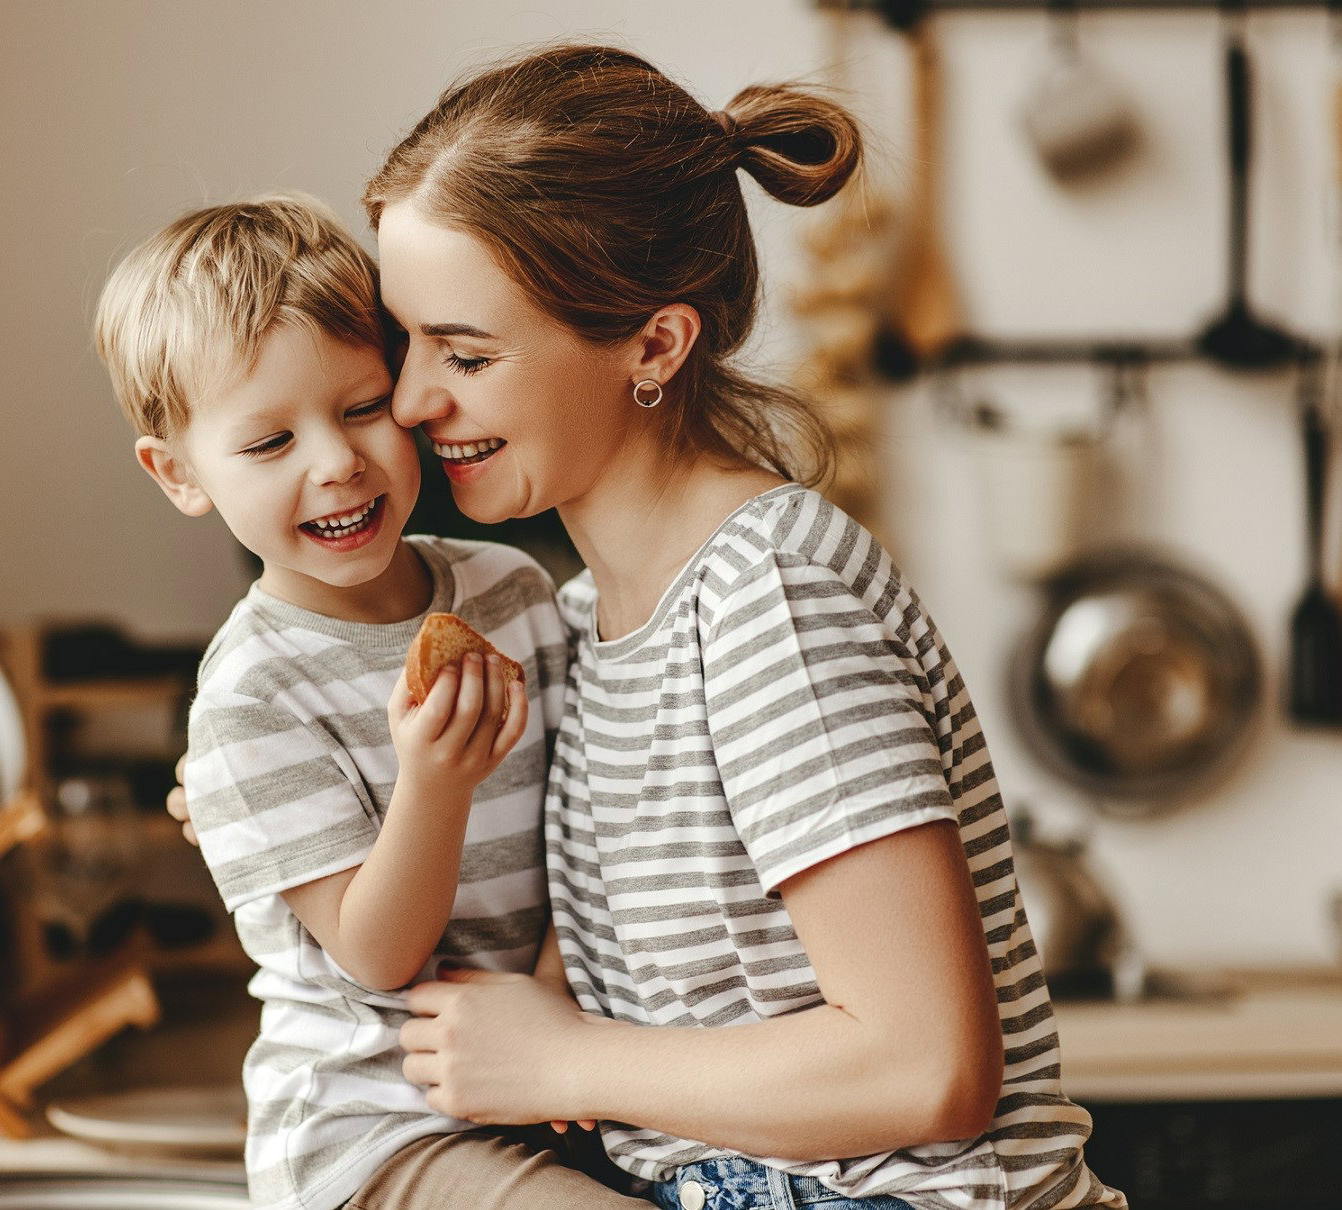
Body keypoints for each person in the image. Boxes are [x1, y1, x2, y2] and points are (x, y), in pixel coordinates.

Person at [168, 46, 1128, 1210]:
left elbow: (926, 1068)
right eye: (406, 343)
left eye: (466, 353)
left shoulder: (768, 601)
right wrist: (255, 792)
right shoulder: (576, 624)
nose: (412, 401)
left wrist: (562, 1060)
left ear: (655, 346)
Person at [93, 195, 648, 1210]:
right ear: (179, 474)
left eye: (361, 407)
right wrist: (435, 783)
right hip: (377, 1130)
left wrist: (556, 994)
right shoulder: (250, 698)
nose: (337, 461)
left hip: (552, 1079)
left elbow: (594, 819)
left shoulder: (512, 591)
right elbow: (377, 955)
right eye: (270, 443)